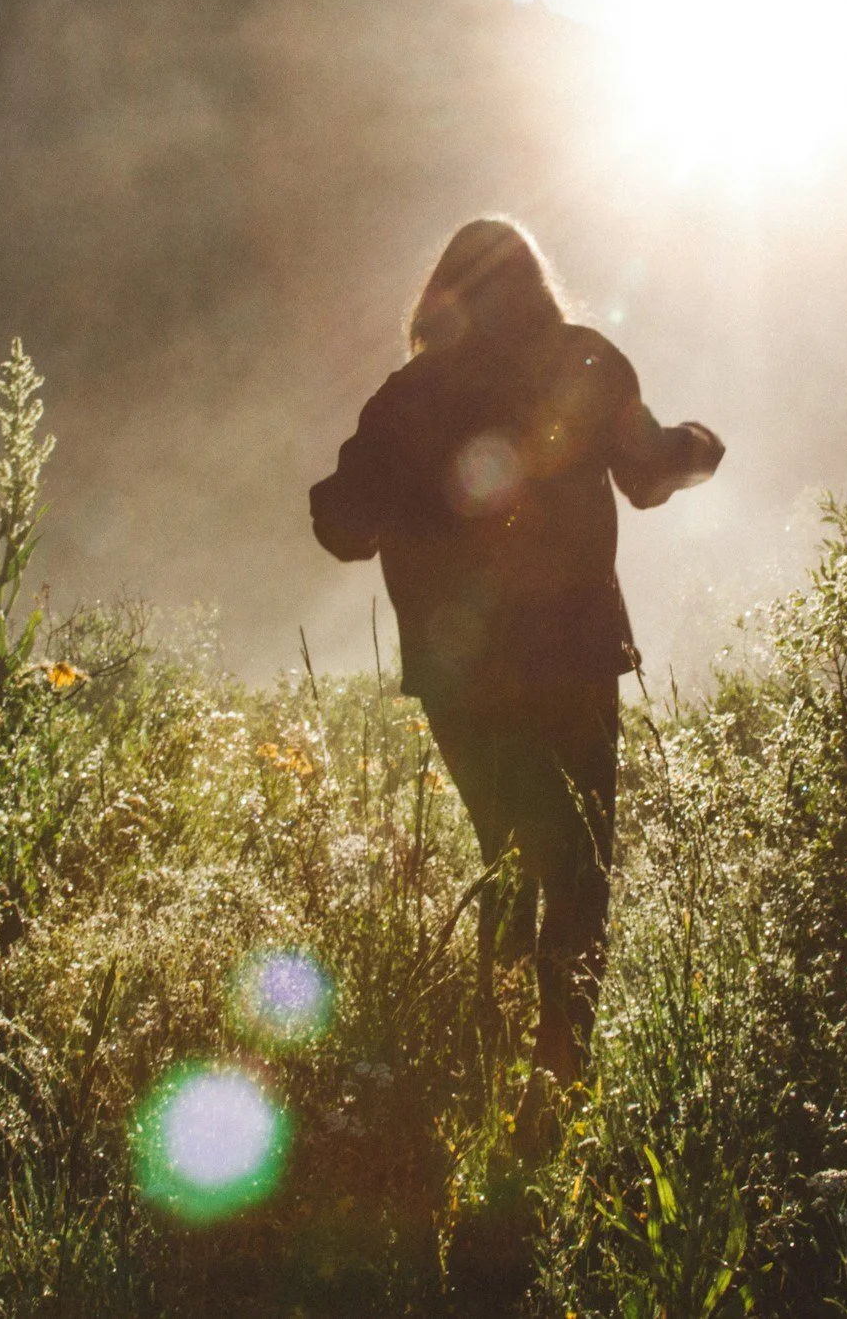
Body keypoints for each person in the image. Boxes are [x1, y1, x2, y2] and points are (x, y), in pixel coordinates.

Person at [310, 218, 723, 1105]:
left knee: (505, 849)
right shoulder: (585, 361)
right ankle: (560, 1082)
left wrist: (390, 491)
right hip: (572, 656)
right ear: (537, 284)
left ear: (440, 296)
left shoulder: (407, 395)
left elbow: (343, 525)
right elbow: (650, 474)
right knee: (579, 866)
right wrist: (700, 447)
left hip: (461, 673)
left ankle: (495, 1073)